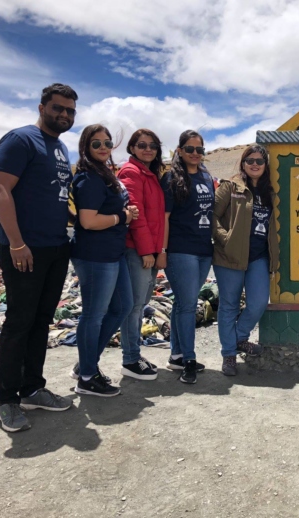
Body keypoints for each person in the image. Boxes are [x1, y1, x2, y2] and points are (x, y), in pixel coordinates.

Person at [0, 83, 78, 432]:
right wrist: (16, 243)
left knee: (41, 321)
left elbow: (54, 196)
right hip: (24, 249)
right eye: (58, 108)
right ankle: (7, 400)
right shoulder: (21, 139)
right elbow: (1, 189)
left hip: (56, 247)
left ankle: (32, 388)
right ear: (42, 108)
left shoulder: (61, 148)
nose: (64, 115)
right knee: (19, 322)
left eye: (70, 110)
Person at [70, 124, 138, 397]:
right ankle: (87, 377)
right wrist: (123, 216)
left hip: (113, 253)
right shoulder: (89, 178)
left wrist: (124, 211)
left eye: (107, 143)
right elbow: (88, 221)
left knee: (122, 306)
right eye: (96, 143)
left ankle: (85, 364)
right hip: (95, 255)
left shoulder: (104, 173)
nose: (103, 148)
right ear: (85, 147)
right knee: (94, 314)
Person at [212, 145, 278, 376]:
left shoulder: (271, 191)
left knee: (258, 302)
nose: (255, 164)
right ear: (243, 163)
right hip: (229, 256)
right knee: (229, 305)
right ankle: (229, 354)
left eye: (260, 161)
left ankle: (239, 338)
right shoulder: (230, 187)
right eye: (250, 160)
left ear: (266, 165)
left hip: (259, 256)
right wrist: (226, 239)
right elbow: (212, 215)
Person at [162, 130, 215, 384]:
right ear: (180, 151)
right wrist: (162, 251)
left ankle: (177, 355)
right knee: (188, 305)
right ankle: (189, 360)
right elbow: (165, 219)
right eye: (190, 149)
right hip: (180, 250)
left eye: (199, 149)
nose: (195, 153)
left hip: (204, 250)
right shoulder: (171, 178)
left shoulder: (206, 176)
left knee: (182, 303)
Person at [117, 129, 167, 381]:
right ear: (132, 148)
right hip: (137, 250)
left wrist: (158, 251)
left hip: (149, 250)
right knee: (134, 306)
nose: (148, 149)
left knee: (140, 304)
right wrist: (147, 250)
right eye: (142, 145)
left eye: (153, 145)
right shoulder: (131, 172)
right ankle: (130, 359)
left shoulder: (150, 175)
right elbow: (136, 215)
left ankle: (133, 354)